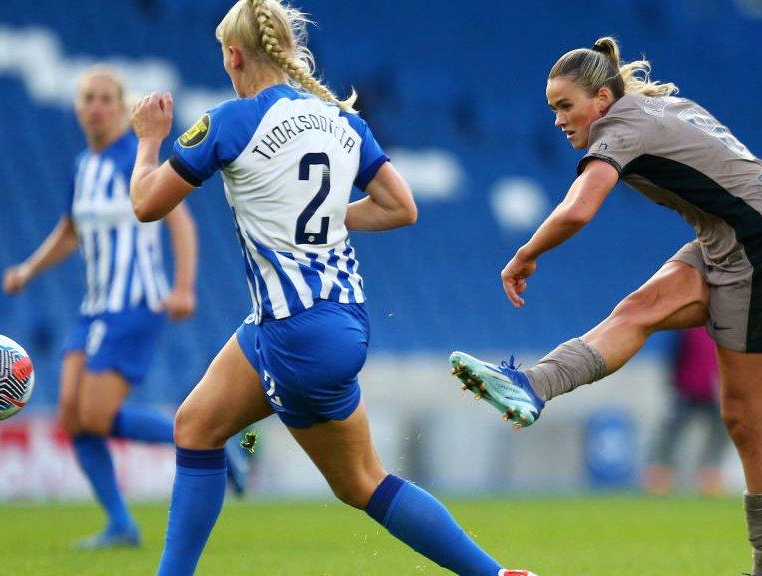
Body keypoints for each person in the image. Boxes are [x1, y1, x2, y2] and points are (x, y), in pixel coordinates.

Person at [127, 2, 536, 575]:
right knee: (196, 425)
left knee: (362, 483)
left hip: (293, 333)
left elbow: (147, 204)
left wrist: (148, 141)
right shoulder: (340, 120)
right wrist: (328, 217)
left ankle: (493, 574)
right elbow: (402, 207)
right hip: (338, 318)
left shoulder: (229, 121)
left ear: (235, 55)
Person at [449, 37, 762, 576]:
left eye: (565, 106)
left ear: (602, 97)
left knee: (744, 417)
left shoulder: (624, 127)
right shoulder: (656, 109)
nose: (558, 120)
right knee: (635, 310)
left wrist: (526, 254)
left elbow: (579, 210)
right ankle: (532, 387)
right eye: (553, 109)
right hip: (727, 240)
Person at [2, 66, 248, 549]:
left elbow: (182, 223)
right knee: (73, 418)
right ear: (78, 108)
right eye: (87, 98)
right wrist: (29, 268)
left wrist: (184, 288)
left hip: (135, 302)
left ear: (120, 108)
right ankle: (121, 525)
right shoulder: (82, 167)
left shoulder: (128, 162)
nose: (95, 106)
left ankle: (209, 445)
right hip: (94, 307)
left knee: (94, 416)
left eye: (105, 99)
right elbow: (70, 230)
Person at [642, 327, 727, 496]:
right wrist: (675, 384)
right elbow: (674, 356)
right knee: (671, 434)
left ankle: (710, 479)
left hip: (715, 391)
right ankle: (660, 477)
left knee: (719, 436)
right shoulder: (688, 329)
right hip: (688, 389)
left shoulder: (725, 329)